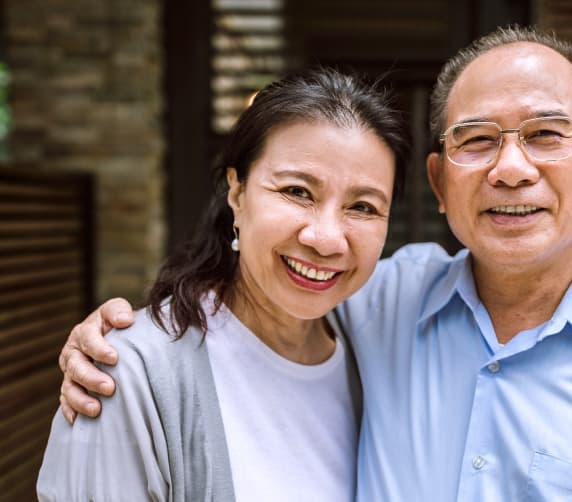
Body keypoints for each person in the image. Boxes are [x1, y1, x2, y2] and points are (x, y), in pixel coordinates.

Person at [55, 25, 572, 501]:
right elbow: (255, 295)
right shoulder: (381, 303)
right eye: (477, 140)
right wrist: (122, 341)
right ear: (442, 183)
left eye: (545, 135)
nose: (512, 170)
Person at [37, 68, 410, 501]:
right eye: (297, 191)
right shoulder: (131, 375)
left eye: (363, 206)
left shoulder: (376, 351)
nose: (326, 239)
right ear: (237, 192)